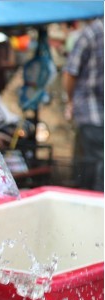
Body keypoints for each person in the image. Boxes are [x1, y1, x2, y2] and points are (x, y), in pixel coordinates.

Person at [63, 17, 104, 192]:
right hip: (92, 113)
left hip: (91, 114)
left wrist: (71, 101)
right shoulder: (91, 33)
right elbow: (70, 73)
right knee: (97, 165)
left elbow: (70, 73)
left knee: (95, 167)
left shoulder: (91, 33)